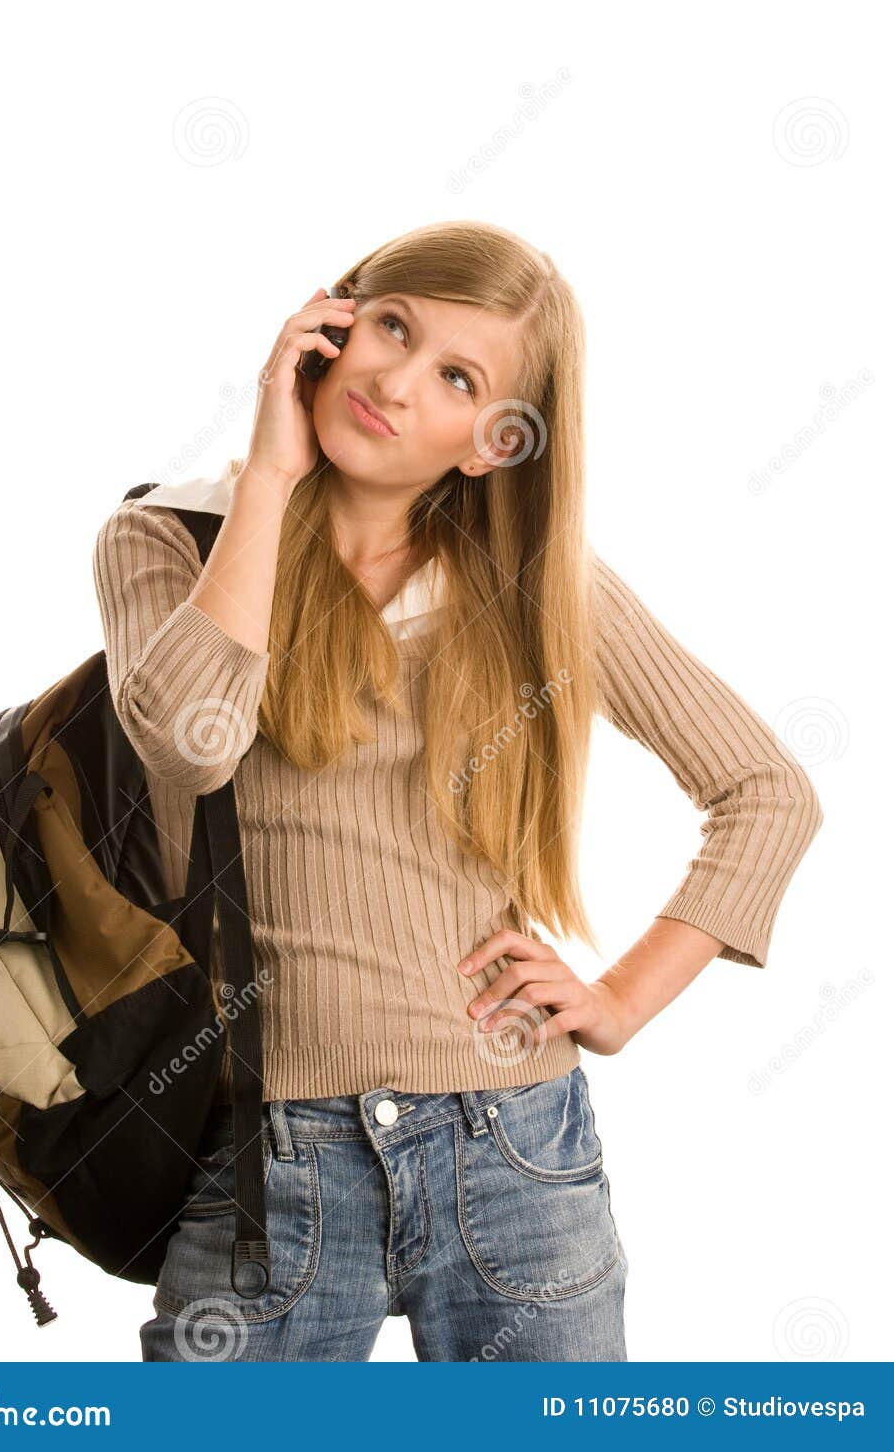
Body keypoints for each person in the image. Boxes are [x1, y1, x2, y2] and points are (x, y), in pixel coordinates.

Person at [92, 219, 823, 1362]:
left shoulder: (534, 587)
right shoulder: (168, 538)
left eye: (455, 378)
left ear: (489, 443)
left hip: (513, 1151)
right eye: (390, 324)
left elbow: (765, 791)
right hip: (265, 1164)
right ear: (329, 320)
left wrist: (619, 999)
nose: (391, 377)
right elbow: (191, 747)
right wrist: (272, 477)